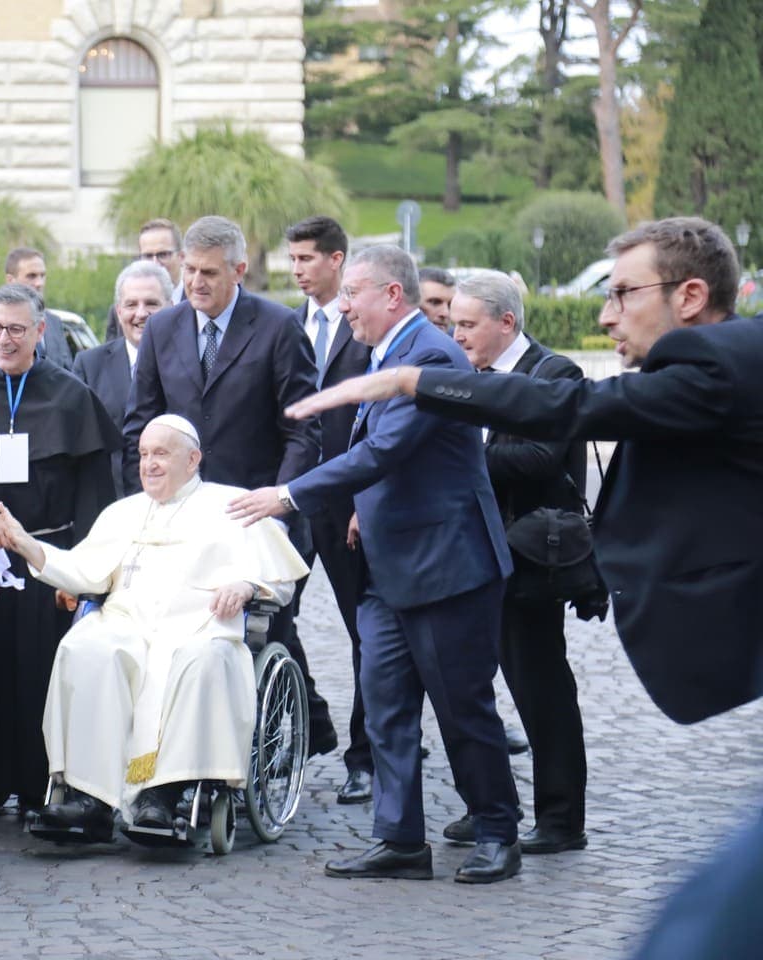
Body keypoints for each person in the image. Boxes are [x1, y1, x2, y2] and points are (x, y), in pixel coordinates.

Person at [284, 217, 763, 725]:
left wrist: (412, 382)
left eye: (622, 293)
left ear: (689, 296)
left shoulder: (714, 363)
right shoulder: (731, 357)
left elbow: (568, 405)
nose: (605, 316)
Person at [230, 244, 522, 884]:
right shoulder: (388, 354)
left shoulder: (433, 357)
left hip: (447, 568)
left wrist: (288, 494)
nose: (342, 306)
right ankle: (400, 840)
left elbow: (388, 448)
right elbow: (393, 458)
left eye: (352, 293)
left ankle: (498, 832)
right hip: (390, 570)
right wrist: (365, 509)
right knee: (387, 707)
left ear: (393, 295)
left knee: (461, 708)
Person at [8, 415, 308, 838]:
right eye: (144, 454)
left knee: (204, 661)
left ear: (193, 459)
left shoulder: (234, 506)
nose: (148, 464)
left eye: (161, 454)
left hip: (199, 628)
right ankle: (89, 799)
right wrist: (28, 546)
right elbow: (84, 572)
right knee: (86, 649)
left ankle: (163, 797)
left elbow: (279, 580)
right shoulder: (122, 513)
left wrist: (244, 585)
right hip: (126, 625)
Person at [122, 215, 335, 760]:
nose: (195, 282)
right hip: (185, 516)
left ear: (239, 270)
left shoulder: (277, 327)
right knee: (194, 631)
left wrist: (279, 505)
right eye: (189, 270)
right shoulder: (165, 329)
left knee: (266, 627)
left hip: (258, 511)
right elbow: (140, 423)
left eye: (209, 273)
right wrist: (150, 503)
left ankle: (278, 737)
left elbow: (302, 429)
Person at [0, 282, 121, 812]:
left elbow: (94, 490)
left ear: (40, 331)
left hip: (47, 557)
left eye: (17, 328)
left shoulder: (70, 395)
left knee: (42, 671)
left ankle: (41, 777)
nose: (5, 339)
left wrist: (88, 565)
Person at [444, 270, 589, 855]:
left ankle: (560, 820)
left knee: (540, 686)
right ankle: (489, 805)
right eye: (452, 323)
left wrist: (461, 458)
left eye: (467, 324)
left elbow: (536, 456)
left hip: (531, 557)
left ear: (506, 322)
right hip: (468, 552)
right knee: (467, 686)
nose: (456, 335)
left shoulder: (555, 374)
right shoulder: (466, 375)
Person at [285, 215, 374, 804]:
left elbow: (378, 420)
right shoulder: (285, 325)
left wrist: (367, 501)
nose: (296, 269)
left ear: (336, 260)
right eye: (292, 260)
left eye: (307, 259)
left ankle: (366, 758)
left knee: (366, 631)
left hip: (347, 502)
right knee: (269, 612)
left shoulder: (363, 325)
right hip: (293, 498)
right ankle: (311, 720)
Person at [75, 260, 171, 496]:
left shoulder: (190, 363)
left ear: (171, 306)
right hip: (112, 502)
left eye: (151, 303)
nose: (141, 313)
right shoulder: (90, 365)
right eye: (131, 304)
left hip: (177, 500)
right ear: (119, 312)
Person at [0, 247, 74, 370]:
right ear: (10, 280)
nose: (39, 283)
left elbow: (67, 370)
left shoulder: (54, 322)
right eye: (31, 276)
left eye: (42, 275)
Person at [104, 219, 187, 341]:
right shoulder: (121, 312)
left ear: (181, 257)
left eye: (163, 255)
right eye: (148, 256)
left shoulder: (199, 306)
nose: (155, 263)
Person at [418, 267, 456, 332]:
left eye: (450, 305)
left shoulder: (459, 340)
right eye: (435, 302)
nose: (446, 313)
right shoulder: (396, 339)